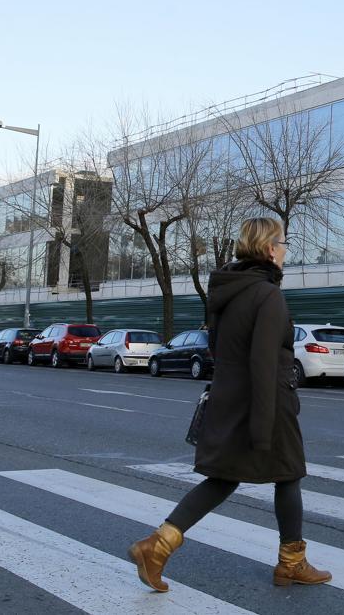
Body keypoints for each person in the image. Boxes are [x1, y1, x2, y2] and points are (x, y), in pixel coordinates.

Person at [128, 217, 330, 591]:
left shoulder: (228, 291)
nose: (285, 251)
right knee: (288, 474)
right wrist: (263, 426)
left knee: (223, 478)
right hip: (266, 401)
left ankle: (157, 546)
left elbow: (216, 348)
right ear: (270, 249)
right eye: (283, 244)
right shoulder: (267, 295)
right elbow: (264, 362)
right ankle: (292, 562)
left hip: (230, 397)